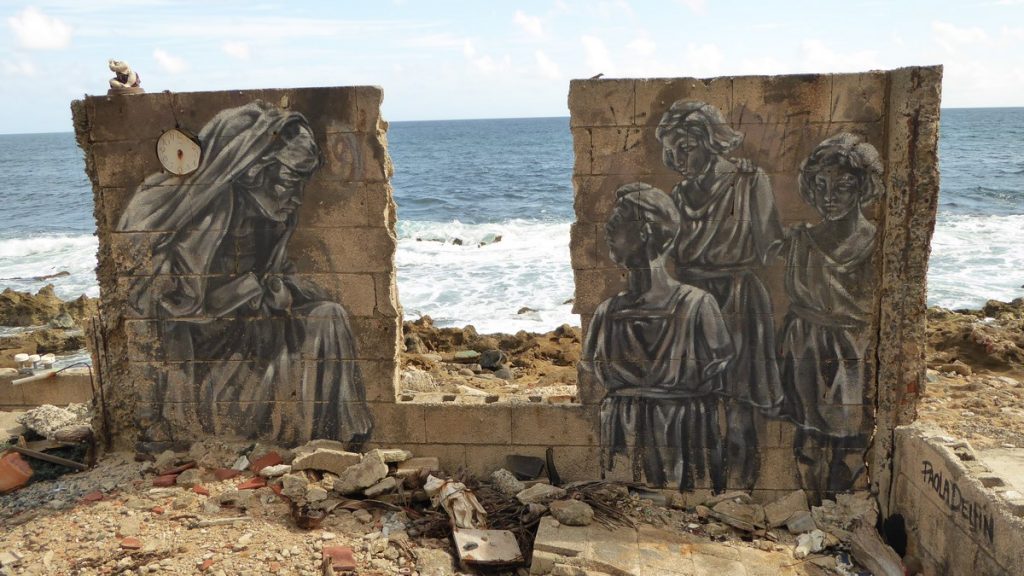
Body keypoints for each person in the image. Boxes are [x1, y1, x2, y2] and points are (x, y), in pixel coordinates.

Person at [118, 101, 373, 447]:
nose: (297, 198)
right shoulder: (194, 218)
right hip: (209, 362)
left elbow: (277, 277)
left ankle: (342, 444)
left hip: (254, 335)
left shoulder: (267, 220)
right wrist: (251, 290)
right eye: (289, 182)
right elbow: (174, 307)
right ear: (255, 174)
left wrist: (282, 291)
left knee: (330, 316)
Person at [655, 100, 784, 489]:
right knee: (700, 404)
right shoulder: (678, 196)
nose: (679, 157)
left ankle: (741, 491)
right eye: (673, 149)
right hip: (694, 304)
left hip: (739, 300)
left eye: (687, 147)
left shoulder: (749, 181)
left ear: (710, 141)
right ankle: (710, 491)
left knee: (742, 405)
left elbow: (771, 247)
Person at [582, 182, 734, 492]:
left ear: (646, 231)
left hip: (684, 443)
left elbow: (718, 363)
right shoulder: (606, 314)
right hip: (624, 441)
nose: (608, 228)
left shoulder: (697, 307)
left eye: (619, 218)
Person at [779, 132, 881, 499]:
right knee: (808, 440)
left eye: (842, 187)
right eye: (820, 186)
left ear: (862, 188)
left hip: (852, 354)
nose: (829, 197)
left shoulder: (875, 242)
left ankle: (842, 512)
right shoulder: (802, 240)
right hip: (805, 349)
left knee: (851, 444)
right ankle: (812, 506)